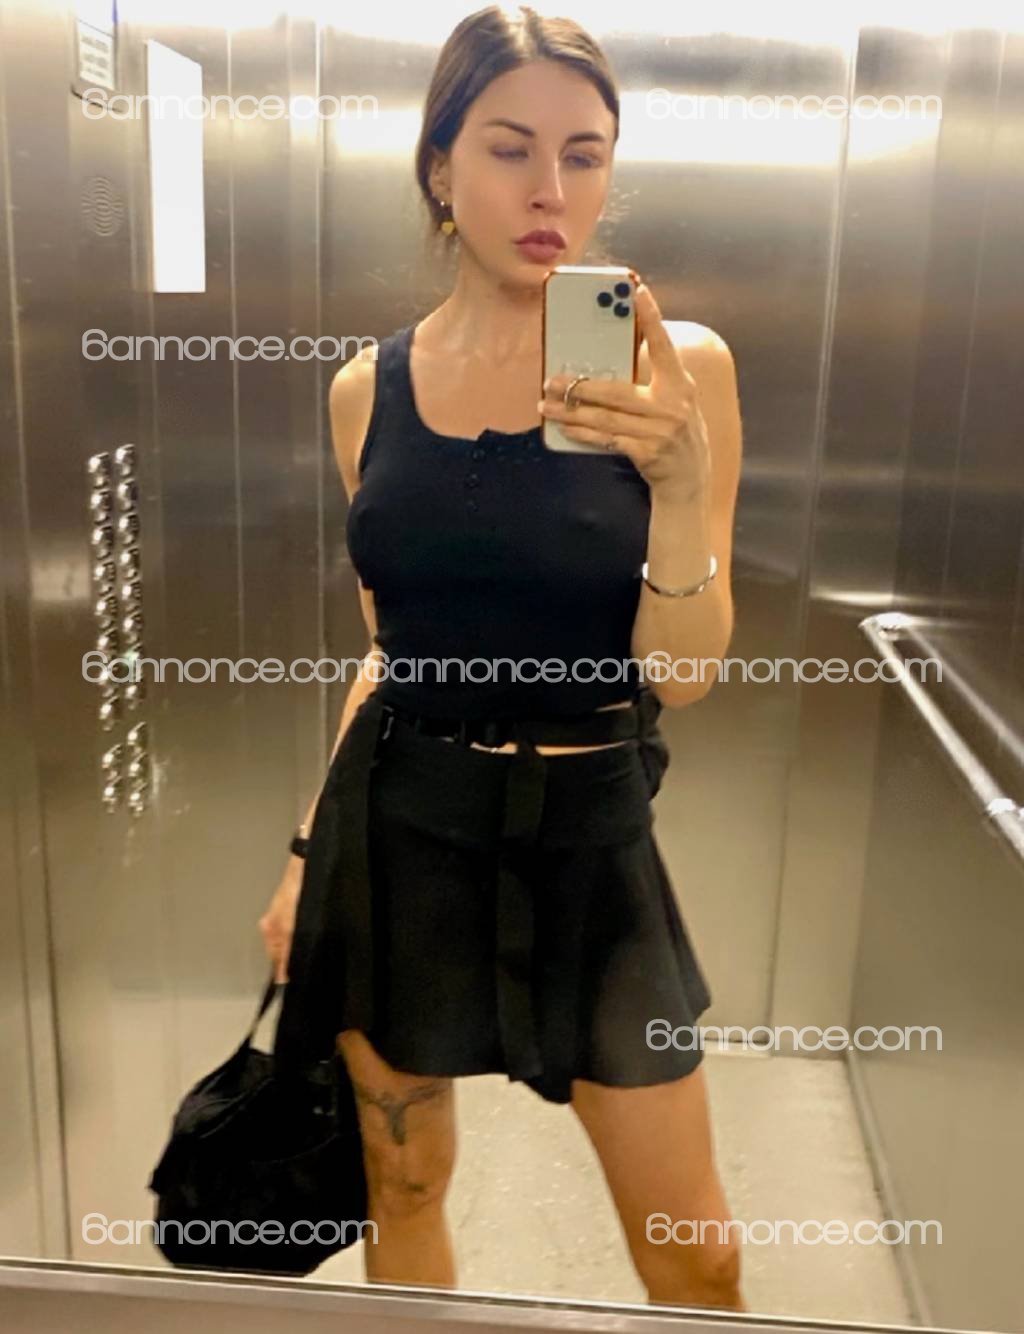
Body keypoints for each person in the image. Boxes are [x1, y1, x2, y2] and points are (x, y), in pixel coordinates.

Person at [259, 3, 744, 1312]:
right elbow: (386, 652)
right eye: (510, 148)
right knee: (404, 1184)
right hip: (405, 828)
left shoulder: (678, 369)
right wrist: (305, 854)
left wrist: (680, 486)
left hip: (591, 836)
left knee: (696, 1246)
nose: (551, 191)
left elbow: (685, 673)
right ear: (440, 167)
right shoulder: (366, 391)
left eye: (585, 155)